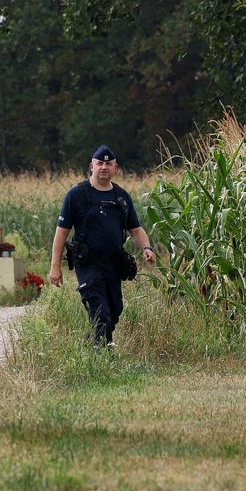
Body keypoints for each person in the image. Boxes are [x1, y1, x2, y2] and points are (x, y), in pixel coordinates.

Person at [48, 145, 156, 345]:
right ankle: (101, 355)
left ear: (116, 168)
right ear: (92, 166)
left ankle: (93, 343)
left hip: (114, 263)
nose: (104, 167)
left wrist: (147, 248)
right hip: (88, 263)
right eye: (100, 163)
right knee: (99, 310)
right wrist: (55, 266)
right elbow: (61, 231)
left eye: (108, 164)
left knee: (115, 309)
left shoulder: (121, 197)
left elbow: (135, 229)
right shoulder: (76, 195)